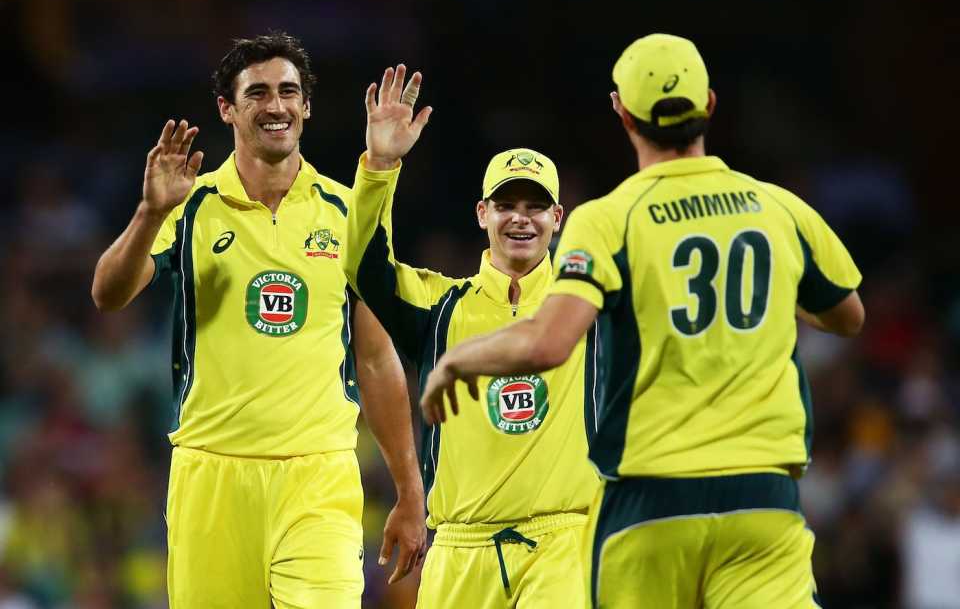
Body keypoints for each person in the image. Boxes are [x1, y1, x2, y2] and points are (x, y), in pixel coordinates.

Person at [421, 33, 865, 608]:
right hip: (763, 494)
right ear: (708, 103)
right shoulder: (778, 208)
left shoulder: (611, 221)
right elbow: (849, 316)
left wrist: (458, 359)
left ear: (621, 112)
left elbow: (550, 342)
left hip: (652, 498)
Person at [91, 32, 426, 609]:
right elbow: (109, 293)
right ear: (228, 108)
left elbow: (375, 357)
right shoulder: (189, 205)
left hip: (319, 475)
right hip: (211, 474)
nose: (277, 106)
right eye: (259, 93)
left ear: (308, 106)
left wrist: (410, 489)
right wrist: (149, 213)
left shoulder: (348, 210)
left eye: (290, 92)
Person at [342, 64, 602, 608]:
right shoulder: (440, 308)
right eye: (506, 205)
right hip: (459, 550)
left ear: (559, 216)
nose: (521, 220)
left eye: (535, 207)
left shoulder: (590, 303)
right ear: (482, 214)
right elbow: (366, 271)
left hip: (564, 544)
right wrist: (381, 166)